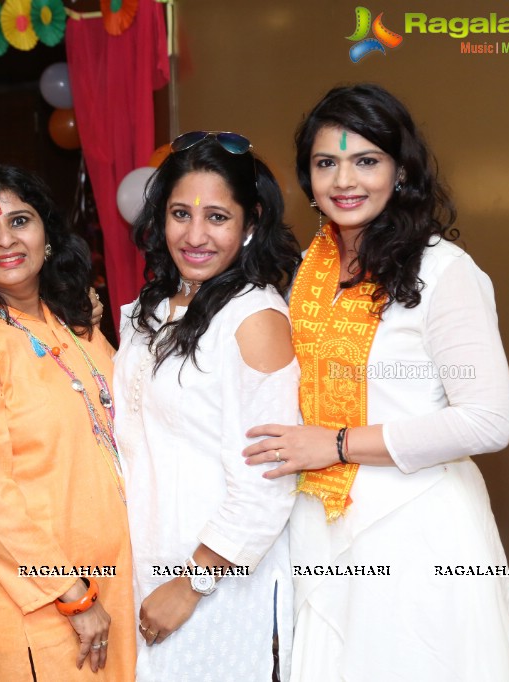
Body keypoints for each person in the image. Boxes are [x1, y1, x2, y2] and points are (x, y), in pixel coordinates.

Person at [243, 84, 509, 681]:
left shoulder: (443, 271)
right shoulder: (308, 271)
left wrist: (339, 443)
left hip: (415, 529)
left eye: (366, 160)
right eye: (326, 163)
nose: (344, 180)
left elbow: (487, 420)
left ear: (400, 171)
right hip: (321, 524)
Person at [0, 164, 135, 681]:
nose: (6, 240)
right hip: (45, 602)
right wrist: (72, 595)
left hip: (119, 581)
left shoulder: (74, 323)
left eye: (21, 220)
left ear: (48, 235)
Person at [113, 132, 301, 681]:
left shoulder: (255, 317)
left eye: (217, 217)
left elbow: (269, 473)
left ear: (251, 222)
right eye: (179, 214)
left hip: (216, 582)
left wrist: (192, 584)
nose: (195, 236)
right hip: (147, 563)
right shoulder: (149, 308)